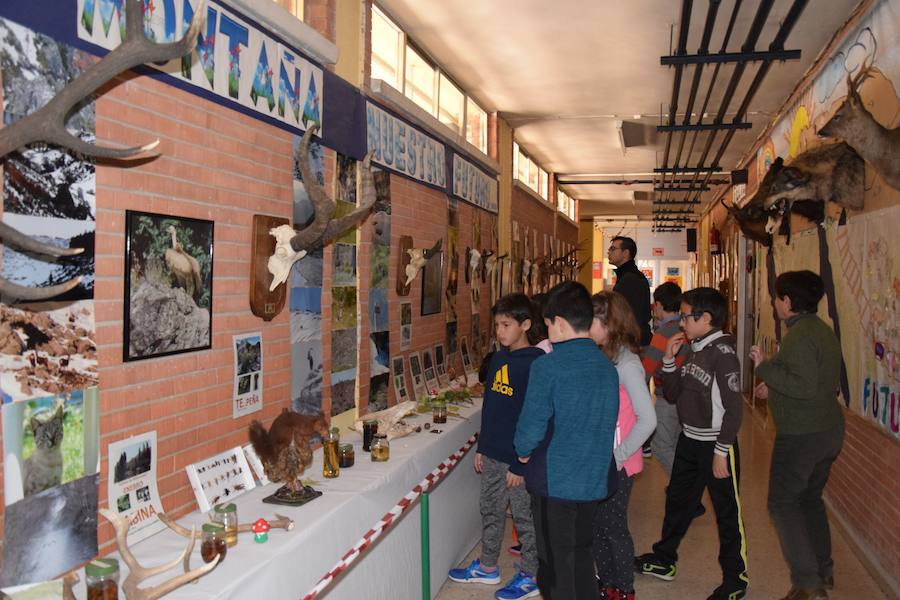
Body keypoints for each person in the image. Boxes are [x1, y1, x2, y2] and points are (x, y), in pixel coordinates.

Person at [634, 287, 748, 600]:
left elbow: (734, 409)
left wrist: (723, 451)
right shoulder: (695, 348)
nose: (681, 322)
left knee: (727, 513)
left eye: (686, 316)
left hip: (716, 447)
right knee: (678, 503)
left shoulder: (722, 354)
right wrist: (669, 361)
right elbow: (672, 394)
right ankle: (664, 558)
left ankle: (735, 578)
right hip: (690, 440)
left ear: (706, 318)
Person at [514, 281, 620, 600]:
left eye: (547, 325)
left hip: (556, 481)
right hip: (593, 477)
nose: (547, 334)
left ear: (558, 322)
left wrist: (522, 452)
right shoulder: (606, 366)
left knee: (554, 565)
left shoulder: (548, 366)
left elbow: (531, 425)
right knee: (581, 555)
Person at [750, 271, 844, 600]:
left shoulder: (800, 335)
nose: (775, 303)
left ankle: (808, 583)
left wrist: (763, 366)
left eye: (777, 298)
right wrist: (773, 385)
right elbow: (811, 381)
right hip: (827, 431)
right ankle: (822, 571)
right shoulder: (819, 330)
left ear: (787, 302)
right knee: (808, 500)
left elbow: (802, 387)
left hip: (803, 435)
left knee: (782, 504)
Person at [449, 293, 543, 600]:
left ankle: (531, 574)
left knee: (524, 518)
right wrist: (482, 446)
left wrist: (521, 463)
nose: (500, 331)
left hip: (519, 460)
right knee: (489, 510)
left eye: (506, 324)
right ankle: (488, 567)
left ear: (526, 324)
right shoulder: (500, 358)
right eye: (497, 325)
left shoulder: (536, 365)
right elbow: (491, 408)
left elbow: (534, 417)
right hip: (492, 454)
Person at [589, 292, 656, 600]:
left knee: (613, 526)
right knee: (598, 525)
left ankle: (624, 588)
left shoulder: (628, 364)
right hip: (601, 459)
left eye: (592, 319)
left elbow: (647, 420)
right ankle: (607, 583)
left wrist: (617, 457)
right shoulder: (603, 357)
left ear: (609, 323)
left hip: (619, 462)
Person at [640, 281, 689, 476]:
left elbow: (647, 370)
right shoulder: (687, 328)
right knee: (677, 443)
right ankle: (684, 485)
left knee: (661, 446)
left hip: (666, 398)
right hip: (685, 396)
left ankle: (681, 483)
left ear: (659, 305)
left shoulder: (662, 334)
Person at [608, 236, 651, 346]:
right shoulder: (629, 276)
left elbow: (625, 313)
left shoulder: (630, 279)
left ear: (625, 253)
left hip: (632, 341)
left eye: (613, 249)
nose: (609, 252)